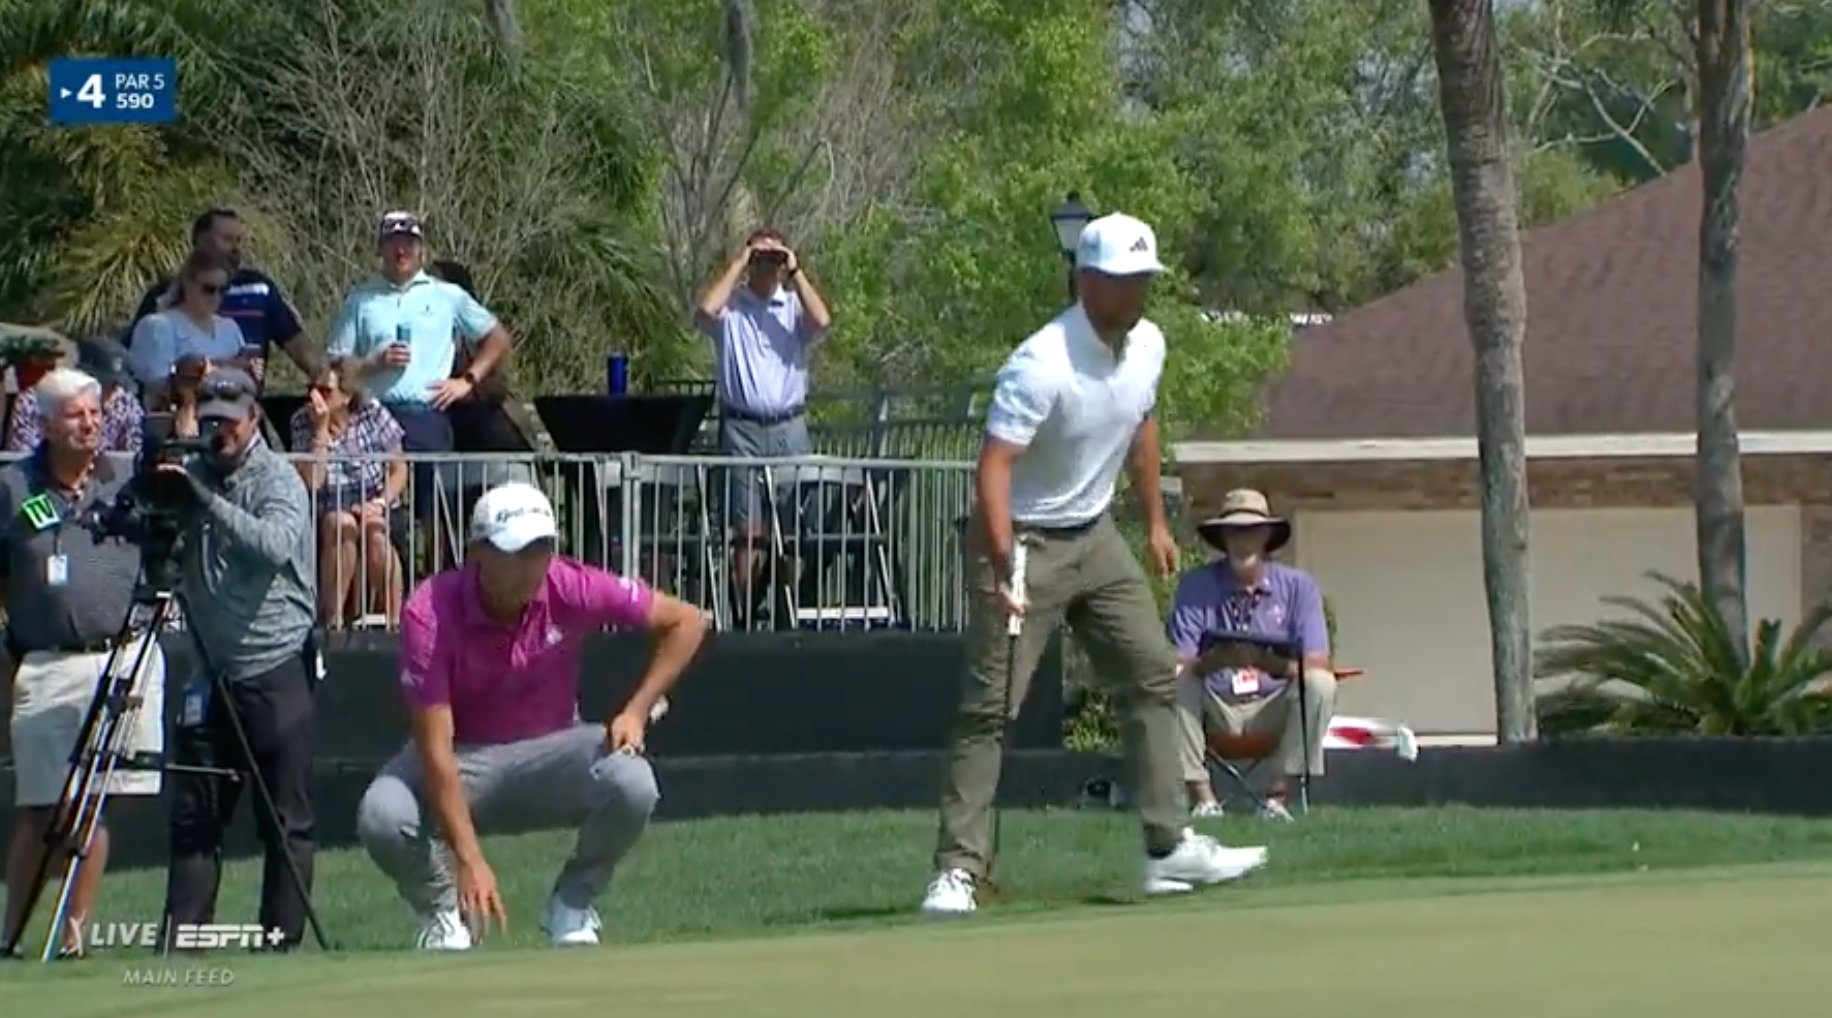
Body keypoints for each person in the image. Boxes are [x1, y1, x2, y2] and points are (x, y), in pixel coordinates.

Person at [921, 213, 1267, 917]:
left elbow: (1141, 420)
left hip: (1096, 536)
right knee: (990, 709)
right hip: (1019, 539)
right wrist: (998, 559)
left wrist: (1157, 523)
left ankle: (1167, 849)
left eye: (1143, 279)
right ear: (1086, 282)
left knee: (1151, 673)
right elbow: (993, 467)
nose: (1136, 292)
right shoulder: (1041, 362)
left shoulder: (1149, 346)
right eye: (1122, 281)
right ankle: (956, 871)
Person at [355, 483, 707, 951]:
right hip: (463, 758)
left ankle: (572, 904)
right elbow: (435, 750)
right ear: (477, 552)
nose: (531, 566)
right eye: (516, 552)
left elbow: (688, 621)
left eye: (541, 549)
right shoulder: (429, 611)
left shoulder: (568, 583)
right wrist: (469, 858)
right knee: (382, 814)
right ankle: (443, 916)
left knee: (633, 781)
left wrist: (636, 711)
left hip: (553, 750)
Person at [0, 369, 164, 957]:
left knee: (94, 802)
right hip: (44, 662)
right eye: (76, 414)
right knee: (44, 806)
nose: (91, 423)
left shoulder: (125, 480)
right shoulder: (14, 487)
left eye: (96, 412)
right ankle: (11, 935)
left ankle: (72, 940)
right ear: (45, 423)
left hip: (121, 659)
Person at [159, 367, 320, 951]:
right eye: (209, 423)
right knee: (195, 821)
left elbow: (273, 545)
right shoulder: (195, 472)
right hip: (210, 669)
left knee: (283, 821)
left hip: (273, 667)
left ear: (253, 417)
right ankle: (182, 945)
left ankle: (279, 945)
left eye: (228, 422)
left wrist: (205, 502)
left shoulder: (278, 479)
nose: (217, 433)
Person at [327, 212, 513, 523]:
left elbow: (497, 337)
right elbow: (334, 363)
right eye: (394, 243)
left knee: (434, 513)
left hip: (427, 415)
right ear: (380, 248)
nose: (402, 251)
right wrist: (373, 363)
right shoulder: (360, 300)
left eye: (409, 243)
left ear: (421, 248)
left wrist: (467, 380)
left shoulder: (447, 295)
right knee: (375, 510)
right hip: (373, 416)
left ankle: (434, 570)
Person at [692, 228, 833, 620]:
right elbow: (704, 312)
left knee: (791, 528)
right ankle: (745, 613)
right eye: (761, 260)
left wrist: (796, 270)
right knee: (747, 530)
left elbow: (822, 321)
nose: (767, 268)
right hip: (742, 430)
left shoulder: (791, 308)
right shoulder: (731, 310)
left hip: (789, 427)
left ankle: (787, 611)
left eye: (774, 261)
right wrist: (739, 261)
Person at [1169, 489, 1335, 821]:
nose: (1243, 540)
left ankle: (1277, 799)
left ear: (1267, 536)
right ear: (1222, 537)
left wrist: (1269, 663)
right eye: (1234, 531)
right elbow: (1181, 660)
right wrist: (1217, 660)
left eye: (1252, 531)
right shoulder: (1195, 585)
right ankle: (1204, 800)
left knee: (1321, 684)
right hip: (1215, 702)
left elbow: (1318, 660)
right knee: (1172, 681)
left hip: (1271, 705)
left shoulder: (1299, 587)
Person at [123, 207, 324, 386]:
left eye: (238, 241)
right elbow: (142, 364)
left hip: (243, 408)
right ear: (200, 241)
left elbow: (294, 340)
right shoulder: (163, 297)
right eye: (227, 240)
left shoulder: (258, 289)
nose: (236, 248)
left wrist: (322, 376)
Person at [289, 358, 409, 629]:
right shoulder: (301, 421)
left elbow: (399, 469)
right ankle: (333, 622)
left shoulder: (373, 413)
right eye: (313, 388)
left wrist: (379, 503)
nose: (315, 396)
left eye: (325, 390)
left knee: (375, 531)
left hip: (375, 502)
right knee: (340, 524)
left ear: (347, 395)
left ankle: (395, 622)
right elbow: (312, 482)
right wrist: (319, 430)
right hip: (328, 506)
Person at [127, 250, 257, 407]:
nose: (216, 297)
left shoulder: (230, 328)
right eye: (208, 289)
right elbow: (157, 389)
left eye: (222, 290)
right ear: (187, 283)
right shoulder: (158, 327)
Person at [4, 338, 144, 454]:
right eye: (105, 383)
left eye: (116, 384)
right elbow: (21, 456)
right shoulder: (34, 401)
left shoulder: (126, 403)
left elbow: (134, 455)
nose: (112, 391)